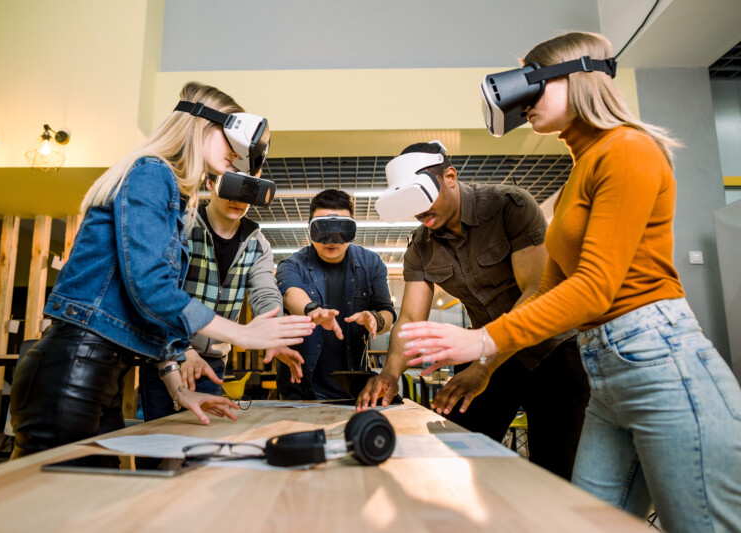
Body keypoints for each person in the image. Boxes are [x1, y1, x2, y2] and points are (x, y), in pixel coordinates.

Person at [399, 32, 741, 532]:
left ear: (577, 78)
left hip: (659, 358)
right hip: (604, 369)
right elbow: (547, 289)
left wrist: (482, 338)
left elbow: (594, 287)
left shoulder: (628, 149)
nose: (522, 104)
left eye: (531, 84)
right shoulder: (580, 171)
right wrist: (485, 364)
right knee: (583, 521)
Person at [10, 82, 314, 457]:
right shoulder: (152, 172)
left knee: (92, 499)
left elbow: (148, 308)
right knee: (44, 505)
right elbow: (152, 288)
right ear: (202, 127)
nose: (236, 158)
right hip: (74, 365)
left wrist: (178, 386)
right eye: (231, 143)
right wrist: (241, 334)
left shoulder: (175, 193)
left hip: (100, 370)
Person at [356, 141, 589, 480]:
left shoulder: (509, 206)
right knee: (460, 454)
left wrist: (483, 363)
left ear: (449, 176)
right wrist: (390, 374)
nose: (419, 212)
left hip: (551, 352)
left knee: (555, 471)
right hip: (485, 355)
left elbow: (536, 291)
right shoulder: (420, 248)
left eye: (423, 197)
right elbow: (408, 319)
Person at [139, 170, 305, 420]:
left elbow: (265, 292)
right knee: (160, 440)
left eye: (247, 192)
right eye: (231, 187)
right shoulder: (182, 225)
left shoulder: (257, 243)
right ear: (210, 183)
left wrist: (274, 334)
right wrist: (183, 350)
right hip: (168, 353)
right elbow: (161, 293)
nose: (238, 199)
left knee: (203, 443)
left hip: (214, 363)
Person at [275, 189, 396, 400]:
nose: (332, 238)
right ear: (310, 229)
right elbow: (291, 293)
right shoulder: (292, 264)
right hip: (301, 389)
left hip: (353, 389)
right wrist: (312, 310)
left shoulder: (372, 264)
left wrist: (376, 320)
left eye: (341, 228)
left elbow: (387, 313)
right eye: (323, 228)